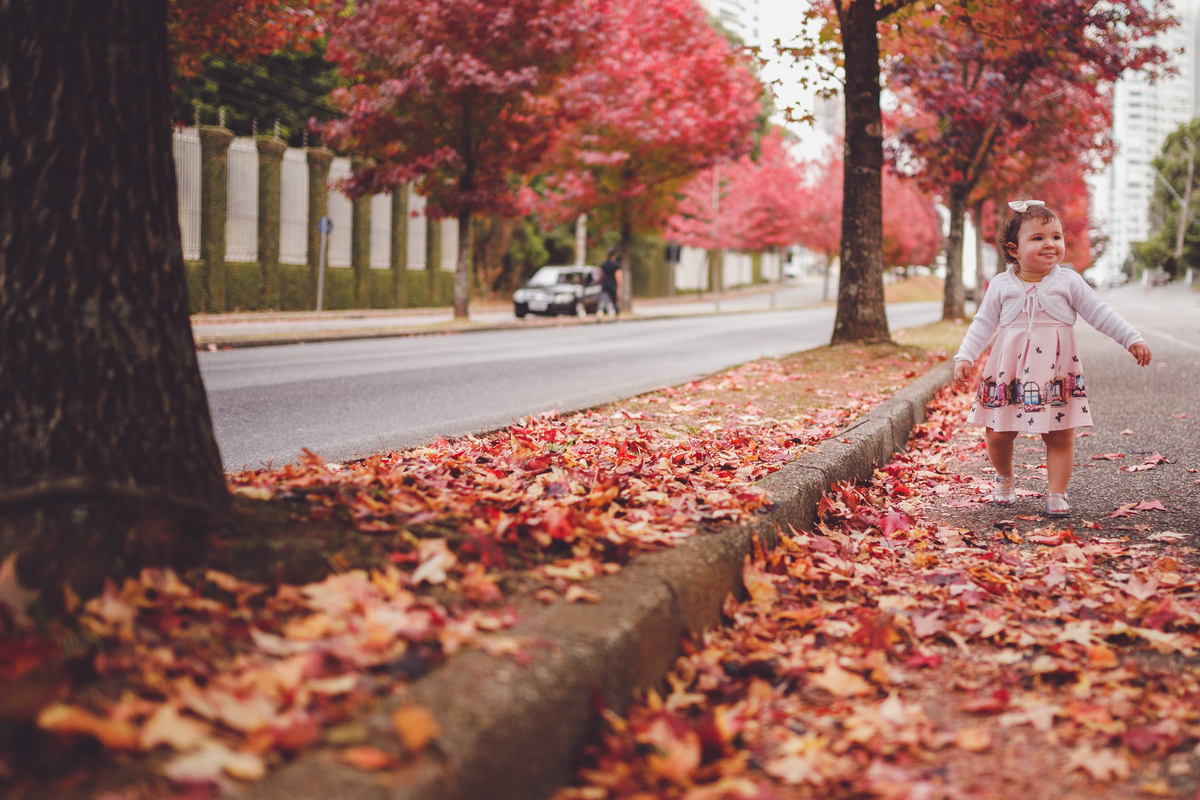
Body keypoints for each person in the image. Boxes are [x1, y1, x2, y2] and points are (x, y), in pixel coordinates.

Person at [953, 200, 1152, 517]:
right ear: (1013, 249)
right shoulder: (1002, 285)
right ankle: (1004, 477)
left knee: (1059, 435)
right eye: (1038, 238)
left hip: (1057, 372)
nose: (1050, 244)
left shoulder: (1069, 282)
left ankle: (1056, 492)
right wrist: (965, 355)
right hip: (1009, 372)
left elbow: (1100, 313)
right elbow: (983, 323)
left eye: (1056, 237)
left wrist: (1131, 337)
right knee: (999, 432)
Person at [598, 248, 621, 318]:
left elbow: (601, 274)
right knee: (615, 301)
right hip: (613, 285)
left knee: (603, 300)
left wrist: (600, 282)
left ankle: (599, 314)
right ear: (614, 255)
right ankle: (617, 316)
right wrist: (619, 287)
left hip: (605, 285)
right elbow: (618, 276)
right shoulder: (616, 265)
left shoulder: (604, 264)